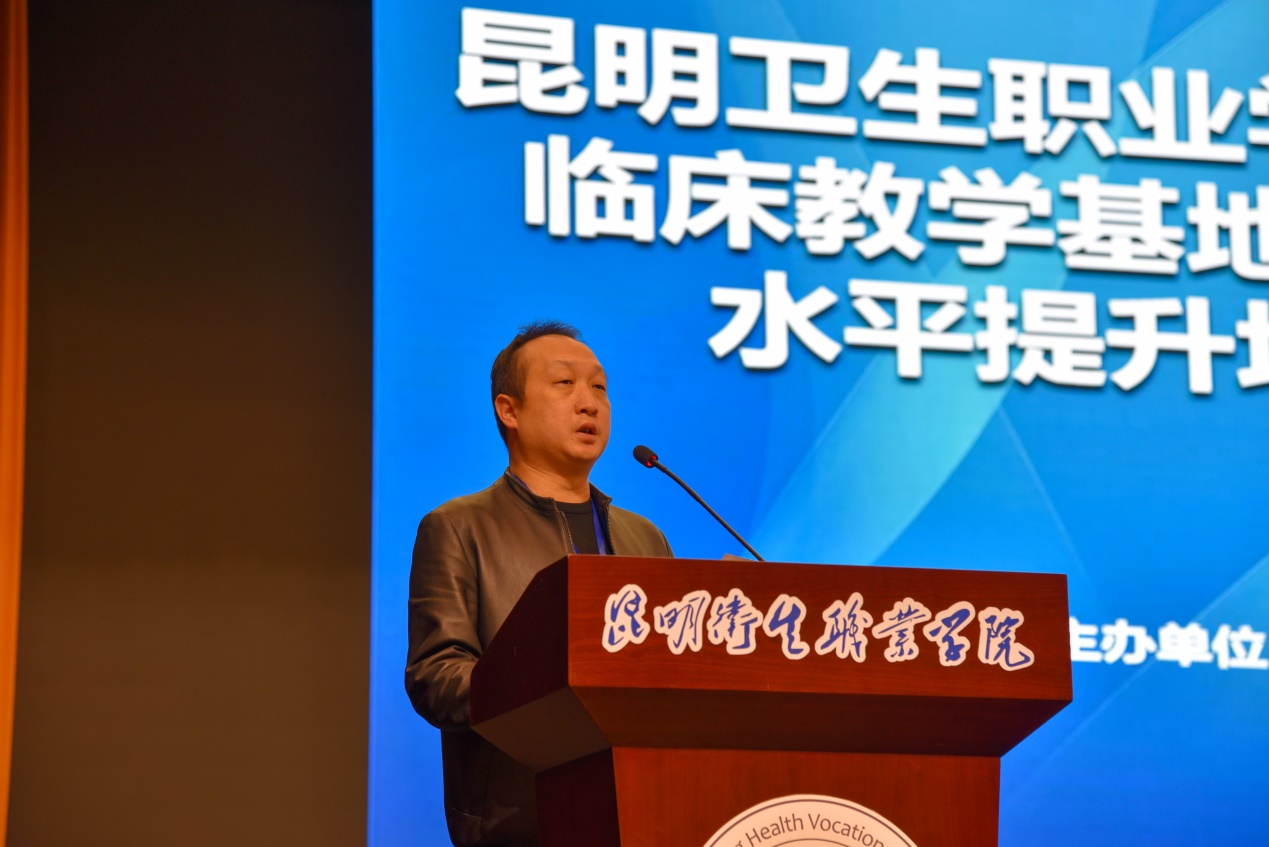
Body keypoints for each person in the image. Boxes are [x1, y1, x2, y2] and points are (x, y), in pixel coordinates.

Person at [405, 321, 673, 847]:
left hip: (644, 814)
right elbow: (436, 677)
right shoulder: (458, 527)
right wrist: (548, 688)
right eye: (565, 383)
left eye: (599, 387)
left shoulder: (646, 538)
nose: (589, 403)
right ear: (509, 411)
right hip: (522, 821)